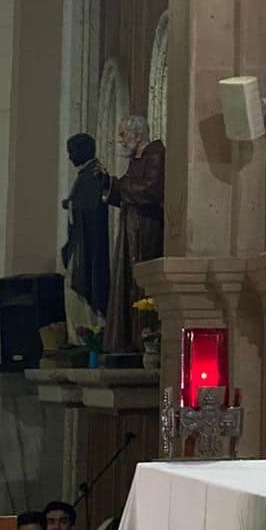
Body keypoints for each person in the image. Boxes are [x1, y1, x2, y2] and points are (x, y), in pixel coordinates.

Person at [105, 115, 165, 353]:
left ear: (137, 135)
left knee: (140, 280)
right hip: (131, 227)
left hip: (147, 228)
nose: (120, 141)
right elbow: (125, 189)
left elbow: (150, 190)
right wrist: (108, 185)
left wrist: (123, 188)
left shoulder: (156, 155)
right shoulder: (136, 159)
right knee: (127, 280)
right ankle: (128, 337)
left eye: (123, 135)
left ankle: (145, 338)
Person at [60, 133, 109, 347]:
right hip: (80, 242)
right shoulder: (86, 174)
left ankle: (87, 338)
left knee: (80, 291)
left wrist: (71, 204)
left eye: (72, 152)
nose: (70, 157)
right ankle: (80, 337)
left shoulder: (93, 174)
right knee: (72, 291)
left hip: (88, 246)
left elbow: (91, 207)